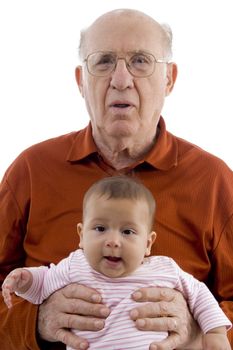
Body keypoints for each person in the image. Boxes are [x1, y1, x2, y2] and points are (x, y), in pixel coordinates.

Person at [0, 7, 233, 350]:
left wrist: (200, 330)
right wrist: (35, 321)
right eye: (104, 61)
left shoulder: (213, 180)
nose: (121, 79)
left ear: (169, 79)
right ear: (82, 80)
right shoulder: (31, 169)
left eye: (140, 61)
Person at [2, 176, 232, 350]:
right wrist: (25, 280)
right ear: (81, 235)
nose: (113, 241)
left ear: (148, 243)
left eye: (128, 231)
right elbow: (43, 285)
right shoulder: (75, 265)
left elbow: (200, 294)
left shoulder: (164, 269)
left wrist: (214, 333)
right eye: (100, 228)